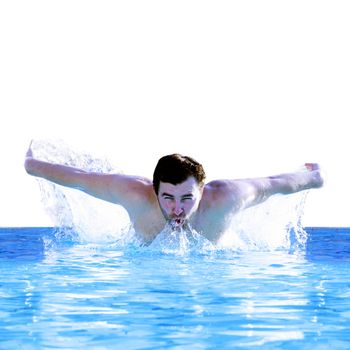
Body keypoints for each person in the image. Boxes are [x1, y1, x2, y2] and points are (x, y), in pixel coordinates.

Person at [24, 142, 324, 244]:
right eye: (167, 198)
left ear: (202, 192)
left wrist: (312, 178)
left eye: (187, 198)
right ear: (155, 191)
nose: (177, 209)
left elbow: (273, 183)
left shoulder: (225, 198)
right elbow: (81, 178)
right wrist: (32, 165)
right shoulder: (134, 195)